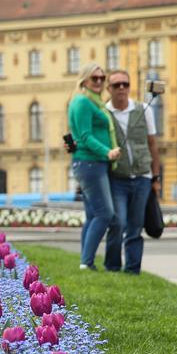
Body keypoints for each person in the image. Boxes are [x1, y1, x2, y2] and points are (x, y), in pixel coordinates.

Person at [105, 69, 161, 274]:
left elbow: (153, 144)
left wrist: (155, 177)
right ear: (108, 89)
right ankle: (112, 267)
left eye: (125, 84)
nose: (121, 88)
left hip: (142, 178)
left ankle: (132, 270)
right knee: (118, 223)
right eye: (117, 85)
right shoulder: (104, 113)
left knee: (135, 227)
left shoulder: (143, 110)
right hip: (117, 179)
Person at [67, 63, 121, 271]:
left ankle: (85, 260)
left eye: (101, 78)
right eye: (94, 78)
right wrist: (107, 152)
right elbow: (84, 136)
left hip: (92, 163)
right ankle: (86, 262)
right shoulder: (82, 102)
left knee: (92, 215)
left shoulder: (94, 102)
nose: (99, 82)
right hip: (91, 163)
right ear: (84, 80)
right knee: (104, 214)